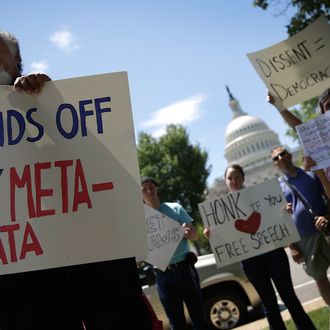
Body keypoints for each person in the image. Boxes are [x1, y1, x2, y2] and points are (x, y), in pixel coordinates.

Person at [0, 30, 151, 330]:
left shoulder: (53, 101)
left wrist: (49, 101)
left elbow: (99, 164)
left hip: (87, 257)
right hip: (22, 277)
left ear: (16, 58)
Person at [204, 164, 316, 330]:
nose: (234, 181)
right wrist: (212, 233)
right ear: (226, 181)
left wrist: (284, 211)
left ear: (243, 179)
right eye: (230, 178)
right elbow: (226, 236)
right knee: (269, 304)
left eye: (237, 177)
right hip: (251, 261)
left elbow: (278, 221)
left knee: (289, 297)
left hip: (274, 254)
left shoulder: (262, 196)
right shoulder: (220, 211)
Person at [141, 176, 208, 330]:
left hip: (185, 269)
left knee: (199, 318)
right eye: (144, 189)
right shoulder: (139, 220)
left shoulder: (175, 208)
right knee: (176, 323)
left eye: (151, 187)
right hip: (162, 274)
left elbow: (195, 235)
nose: (149, 191)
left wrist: (190, 233)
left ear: (157, 189)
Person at [271, 146, 330, 307]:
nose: (280, 158)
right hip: (304, 238)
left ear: (289, 155)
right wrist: (291, 245)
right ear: (274, 164)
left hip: (326, 231)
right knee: (320, 278)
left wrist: (326, 217)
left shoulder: (311, 174)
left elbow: (328, 197)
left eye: (282, 154)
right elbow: (279, 220)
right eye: (275, 158)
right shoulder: (276, 189)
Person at [267, 89, 330, 197]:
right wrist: (319, 172)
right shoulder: (324, 150)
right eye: (329, 106)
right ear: (323, 115)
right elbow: (300, 127)